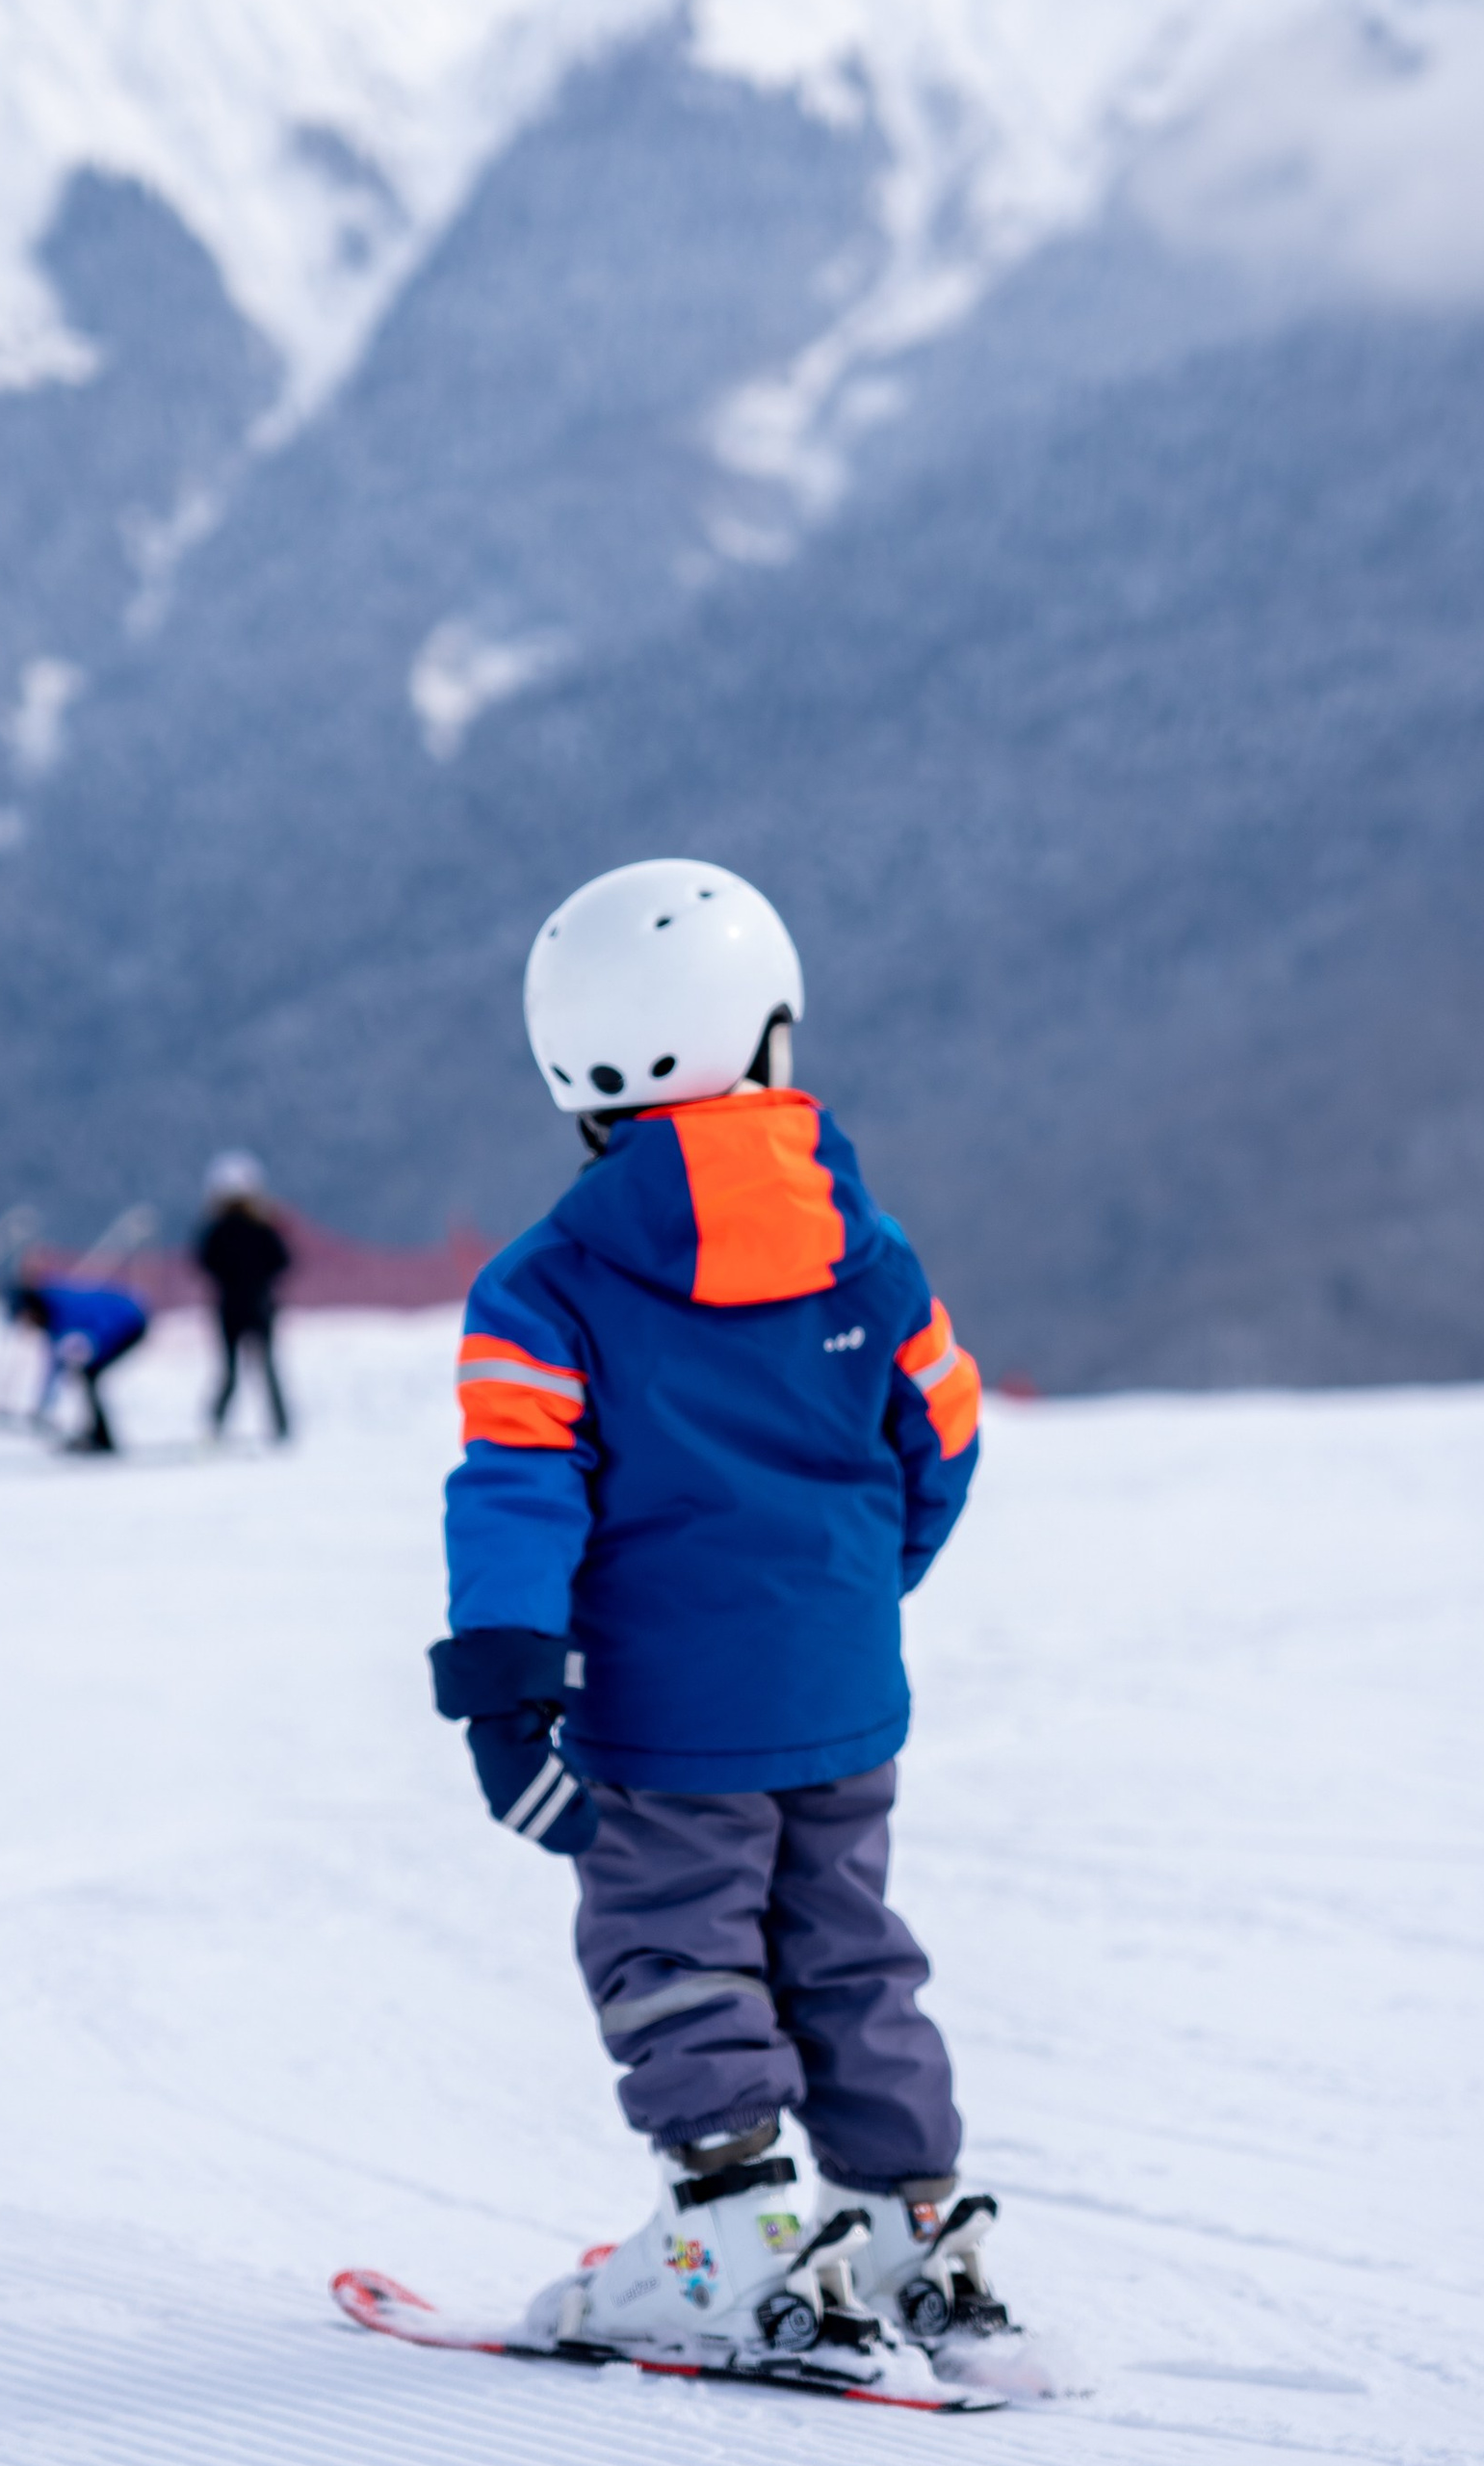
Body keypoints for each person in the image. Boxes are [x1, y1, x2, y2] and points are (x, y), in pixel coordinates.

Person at [431, 859, 1025, 2396]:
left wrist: (509, 1690)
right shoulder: (864, 1248)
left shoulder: (546, 1287)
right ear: (768, 1032)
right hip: (836, 1688)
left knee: (678, 1948)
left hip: (662, 1716)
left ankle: (734, 2238)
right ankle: (914, 2233)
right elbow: (943, 1439)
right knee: (850, 1953)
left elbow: (517, 1490)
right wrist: (846, 1595)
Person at [194, 1151, 293, 1440]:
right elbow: (282, 1261)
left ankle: (216, 1425)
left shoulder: (217, 1230)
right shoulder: (261, 1228)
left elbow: (204, 1262)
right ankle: (281, 1427)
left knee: (231, 1371)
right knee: (266, 1368)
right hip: (260, 1304)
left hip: (230, 1306)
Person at [8, 1280, 149, 1454]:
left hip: (130, 1320)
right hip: (117, 1320)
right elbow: (55, 1364)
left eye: (26, 1319)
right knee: (85, 1374)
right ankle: (97, 1435)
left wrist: (94, 1348)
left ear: (30, 1309)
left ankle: (102, 1438)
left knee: (88, 1374)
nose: (28, 1325)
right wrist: (43, 1405)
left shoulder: (61, 1312)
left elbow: (103, 1326)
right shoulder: (51, 1314)